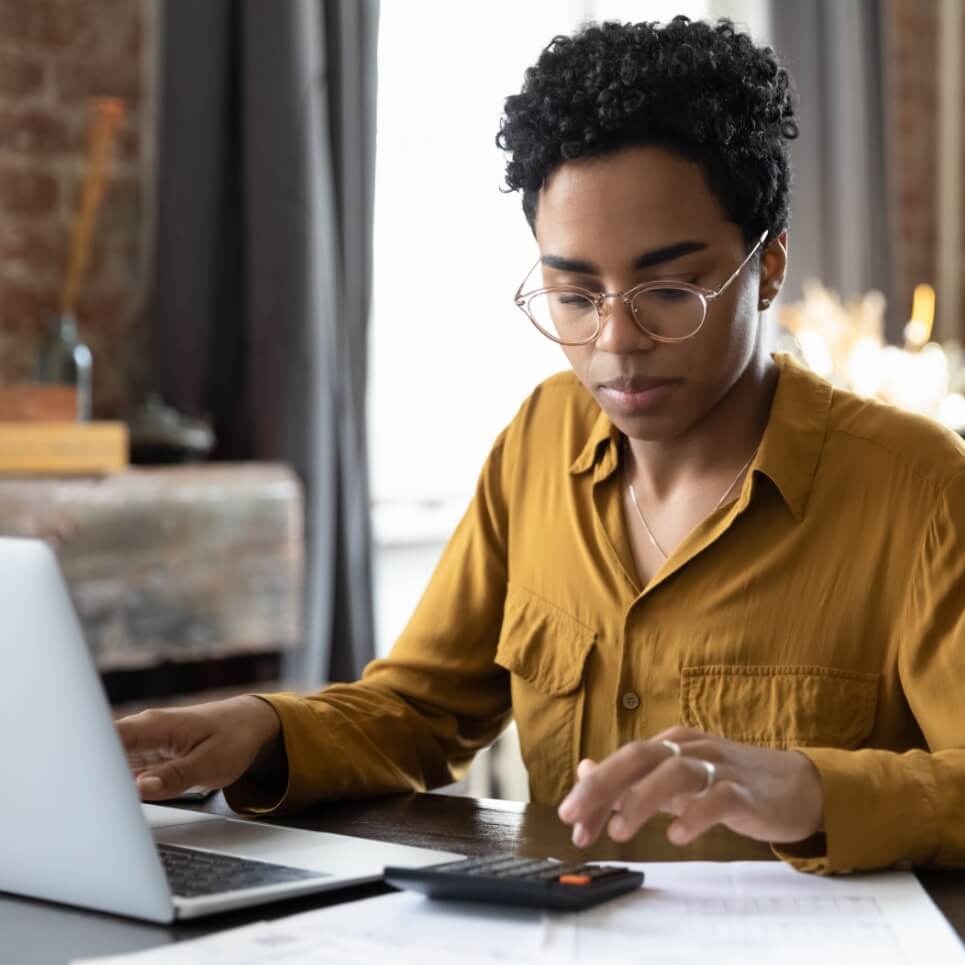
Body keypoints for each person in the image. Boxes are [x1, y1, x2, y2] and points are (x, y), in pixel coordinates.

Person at [119, 17, 965, 874]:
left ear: (768, 265)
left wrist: (815, 791)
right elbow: (418, 710)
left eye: (668, 289)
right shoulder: (538, 443)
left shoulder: (920, 491)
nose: (615, 342)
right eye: (573, 293)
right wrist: (263, 729)